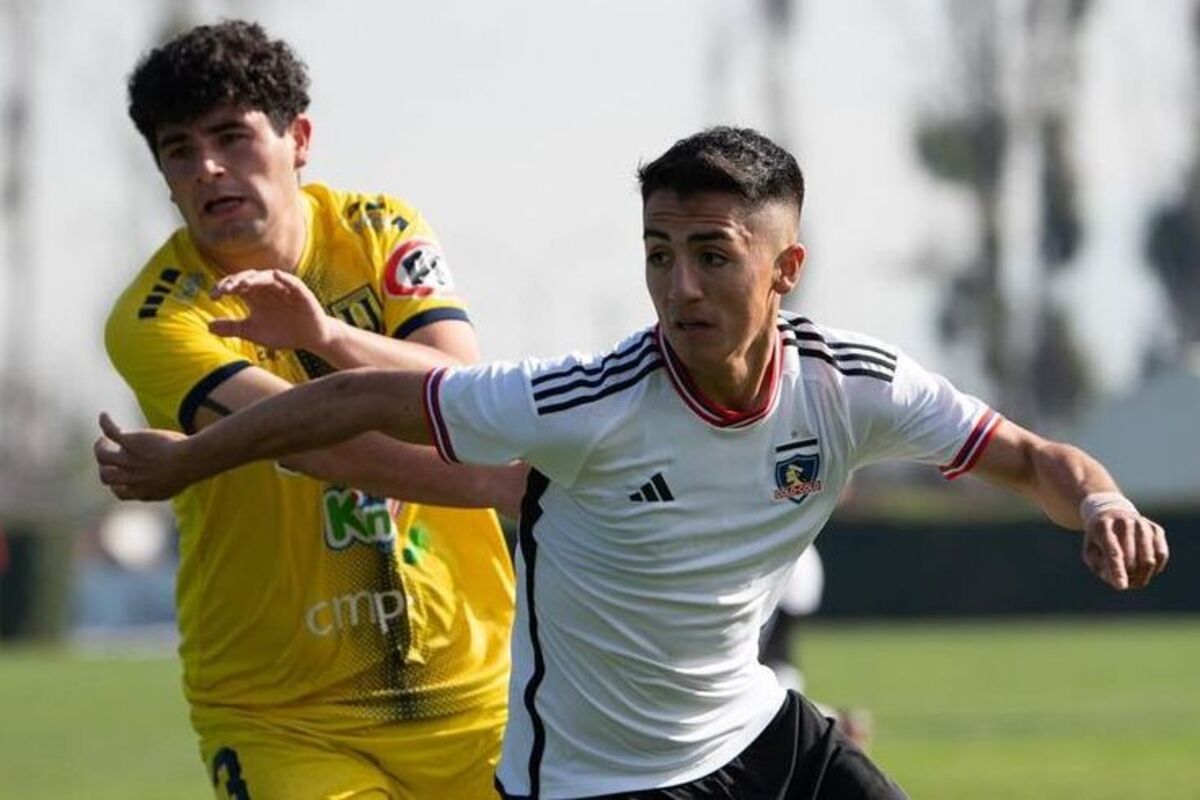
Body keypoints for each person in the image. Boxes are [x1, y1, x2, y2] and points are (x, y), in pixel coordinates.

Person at [96, 127, 1170, 799]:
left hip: (758, 728)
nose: (680, 285)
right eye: (659, 252)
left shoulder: (855, 384)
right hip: (604, 778)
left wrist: (1101, 500)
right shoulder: (590, 401)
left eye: (713, 255)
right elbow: (367, 400)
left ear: (784, 268)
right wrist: (192, 460)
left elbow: (1034, 455)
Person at [106, 20, 524, 799]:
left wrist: (330, 336)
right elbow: (312, 442)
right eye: (179, 150)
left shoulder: (379, 231)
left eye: (232, 137)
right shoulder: (154, 316)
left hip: (477, 692)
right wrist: (501, 484)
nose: (208, 168)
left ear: (298, 138)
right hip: (282, 714)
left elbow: (460, 388)